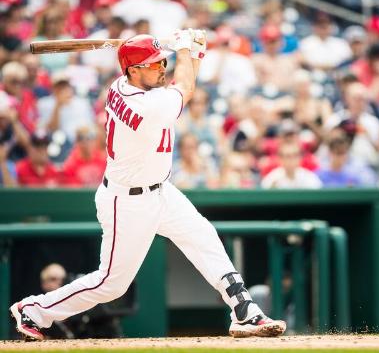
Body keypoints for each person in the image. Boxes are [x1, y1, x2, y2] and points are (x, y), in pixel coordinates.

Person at [10, 31, 285, 341]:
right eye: (154, 64)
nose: (161, 68)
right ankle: (33, 309)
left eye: (163, 61)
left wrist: (192, 53)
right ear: (134, 70)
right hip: (127, 202)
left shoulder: (124, 85)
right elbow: (185, 87)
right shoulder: (146, 105)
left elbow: (179, 84)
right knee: (111, 283)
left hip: (161, 190)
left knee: (203, 236)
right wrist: (186, 51)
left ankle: (244, 310)